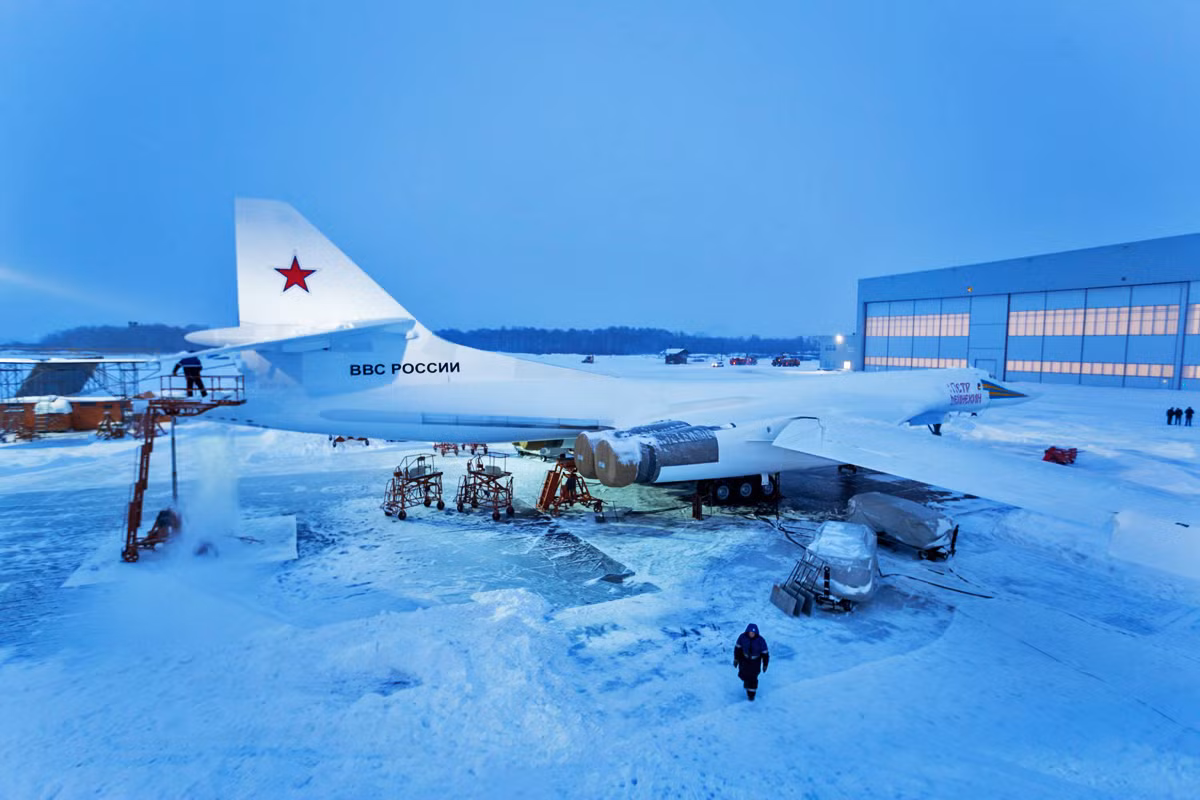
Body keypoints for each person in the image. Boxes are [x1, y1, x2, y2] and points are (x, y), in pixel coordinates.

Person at [733, 623, 769, 701]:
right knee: (743, 675)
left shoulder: (761, 640)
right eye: (750, 632)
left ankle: (751, 695)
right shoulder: (742, 637)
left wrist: (765, 664)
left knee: (753, 678)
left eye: (753, 633)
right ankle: (747, 682)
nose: (751, 634)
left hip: (755, 662)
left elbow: (765, 653)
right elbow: (738, 648)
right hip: (744, 660)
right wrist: (736, 659)